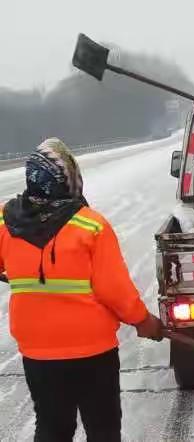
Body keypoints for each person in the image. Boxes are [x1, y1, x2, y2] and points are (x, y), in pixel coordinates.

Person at [0, 138, 163, 442]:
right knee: (102, 429)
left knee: (52, 428)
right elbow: (115, 290)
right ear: (67, 179)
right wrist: (143, 321)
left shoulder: (6, 221)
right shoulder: (90, 226)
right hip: (92, 352)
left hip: (38, 354)